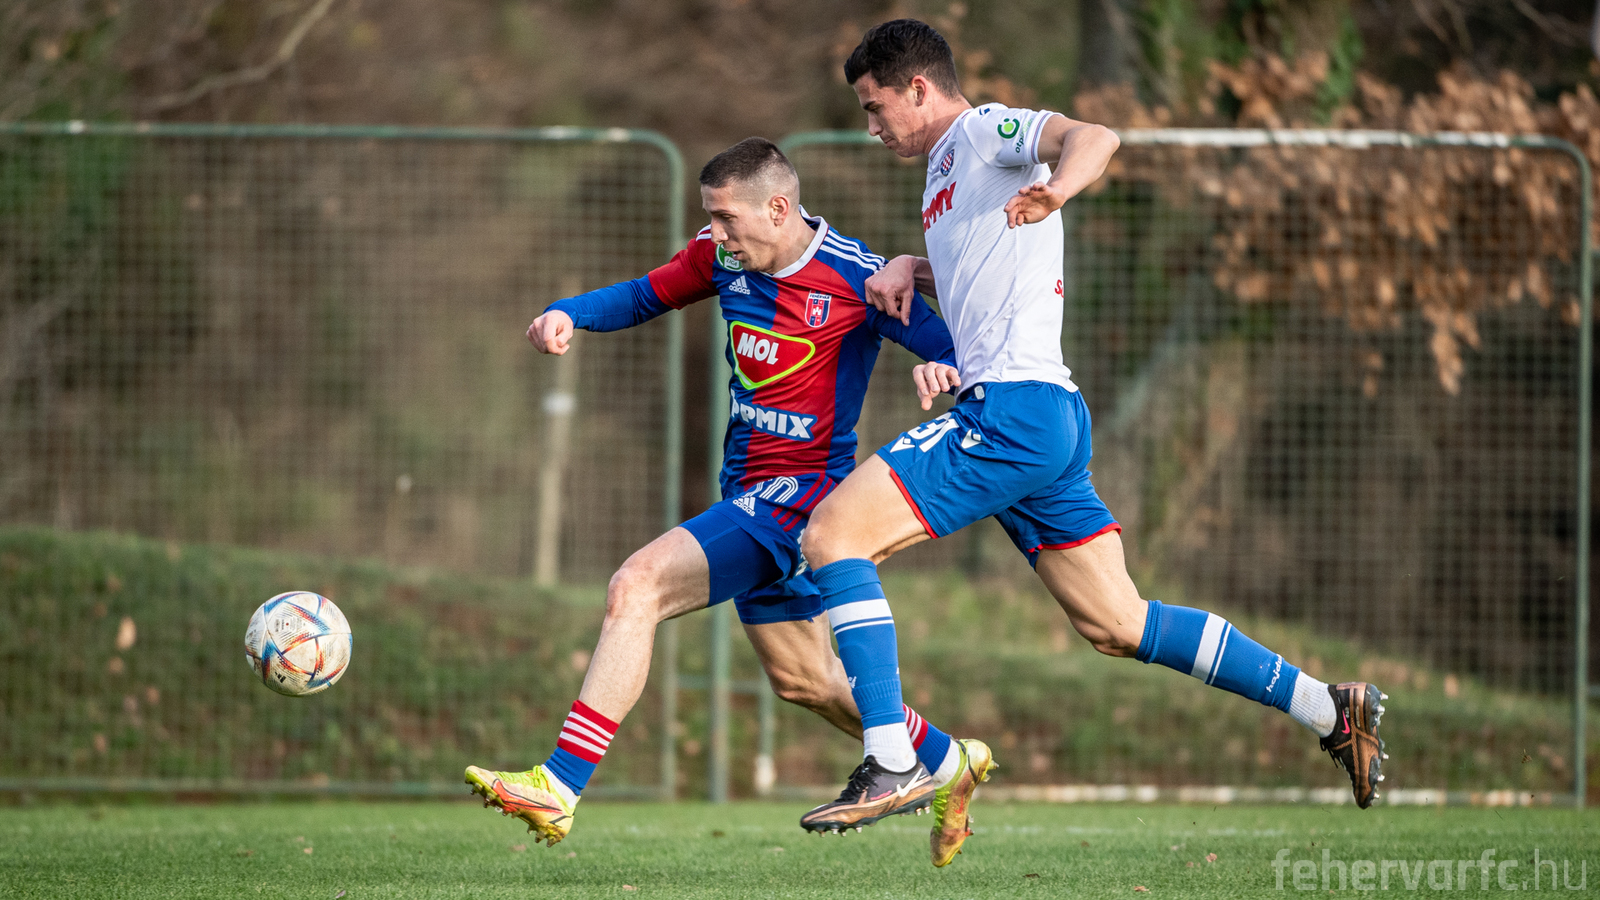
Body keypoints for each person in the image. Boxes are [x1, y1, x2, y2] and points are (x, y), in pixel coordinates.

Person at [794, 19, 1387, 829]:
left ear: (919, 88)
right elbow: (987, 267)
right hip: (1046, 417)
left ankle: (895, 761)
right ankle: (1328, 707)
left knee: (833, 536)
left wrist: (1062, 188)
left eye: (875, 107)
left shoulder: (980, 129)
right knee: (1118, 622)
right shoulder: (944, 169)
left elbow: (1094, 136)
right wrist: (911, 267)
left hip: (1010, 413)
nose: (871, 126)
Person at [465, 137, 996, 866]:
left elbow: (955, 349)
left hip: (799, 501)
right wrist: (569, 313)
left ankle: (558, 786)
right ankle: (947, 760)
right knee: (807, 682)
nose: (715, 234)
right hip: (744, 492)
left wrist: (945, 368)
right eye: (709, 218)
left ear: (778, 208)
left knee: (637, 585)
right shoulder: (723, 260)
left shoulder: (858, 279)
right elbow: (645, 294)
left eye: (726, 218)